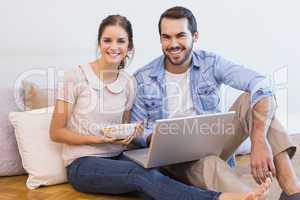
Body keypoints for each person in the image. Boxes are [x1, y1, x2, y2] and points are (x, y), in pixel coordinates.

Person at [49, 14, 270, 200]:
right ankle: (219, 197)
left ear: (129, 46)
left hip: (118, 157)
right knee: (142, 176)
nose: (113, 47)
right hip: (83, 163)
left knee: (157, 174)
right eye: (107, 40)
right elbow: (56, 132)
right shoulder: (74, 77)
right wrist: (99, 140)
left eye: (120, 41)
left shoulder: (128, 82)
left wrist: (133, 133)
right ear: (99, 43)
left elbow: (125, 126)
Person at [130, 6, 300, 200]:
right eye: (166, 37)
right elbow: (136, 132)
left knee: (251, 99)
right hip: (174, 161)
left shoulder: (210, 63)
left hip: (211, 143)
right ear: (160, 39)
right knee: (208, 162)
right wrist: (155, 136)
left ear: (195, 36)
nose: (173, 43)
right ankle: (250, 197)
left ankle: (292, 191)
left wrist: (259, 141)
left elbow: (262, 84)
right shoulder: (143, 77)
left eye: (180, 36)